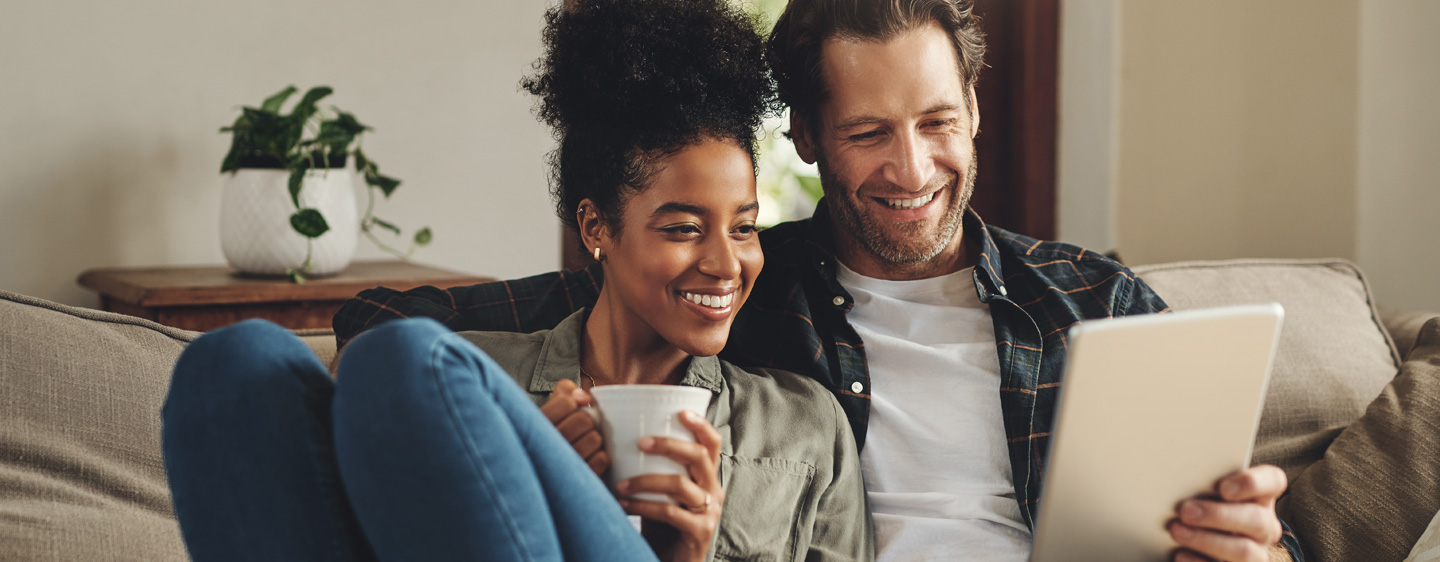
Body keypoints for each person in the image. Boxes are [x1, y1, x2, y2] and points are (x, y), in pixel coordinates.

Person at [333, 1, 1302, 561]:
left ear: (973, 105)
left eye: (936, 122)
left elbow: (1253, 521)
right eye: (869, 133)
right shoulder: (753, 284)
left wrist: (1256, 545)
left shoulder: (1091, 299)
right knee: (243, 368)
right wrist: (525, 440)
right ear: (805, 138)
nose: (914, 170)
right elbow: (401, 335)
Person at [161, 1, 870, 561]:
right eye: (683, 228)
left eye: (744, 227)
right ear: (596, 228)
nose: (725, 263)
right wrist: (522, 476)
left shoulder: (805, 430)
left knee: (401, 356)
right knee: (230, 363)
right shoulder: (480, 390)